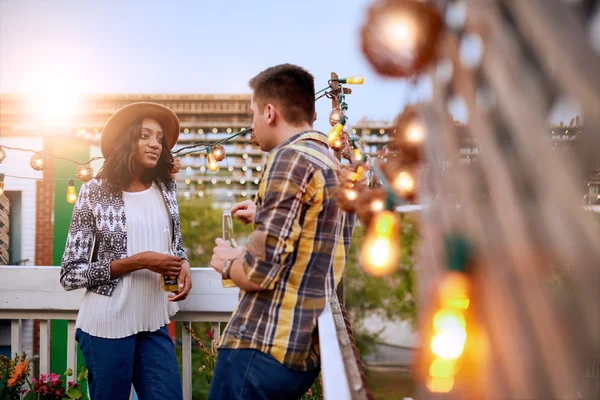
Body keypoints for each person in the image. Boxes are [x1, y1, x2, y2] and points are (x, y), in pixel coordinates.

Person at [209, 64, 355, 400]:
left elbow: (258, 273)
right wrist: (264, 213)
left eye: (253, 114)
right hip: (298, 352)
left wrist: (229, 262)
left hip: (262, 344)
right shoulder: (332, 164)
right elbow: (317, 231)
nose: (252, 124)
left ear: (270, 112)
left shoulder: (287, 159)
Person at [60, 102, 192, 400]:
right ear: (127, 139)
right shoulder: (94, 191)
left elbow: (175, 245)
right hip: (107, 324)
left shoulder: (166, 188)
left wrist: (183, 263)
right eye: (145, 135)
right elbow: (70, 273)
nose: (155, 144)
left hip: (153, 320)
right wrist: (136, 262)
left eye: (159, 138)